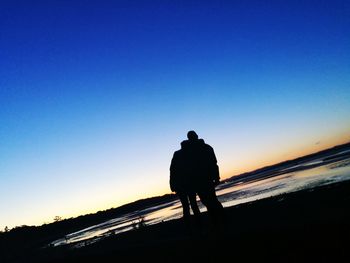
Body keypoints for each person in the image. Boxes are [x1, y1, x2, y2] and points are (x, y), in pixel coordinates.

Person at [170, 130, 224, 227]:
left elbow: (213, 164)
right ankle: (217, 220)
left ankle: (217, 220)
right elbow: (213, 164)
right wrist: (216, 177)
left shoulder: (199, 149)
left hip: (201, 181)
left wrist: (216, 177)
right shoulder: (196, 150)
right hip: (199, 181)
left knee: (209, 201)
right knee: (209, 201)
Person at [170, 141, 201, 223]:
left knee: (187, 206)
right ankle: (197, 223)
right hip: (186, 185)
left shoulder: (178, 154)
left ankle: (193, 224)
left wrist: (172, 184)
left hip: (184, 185)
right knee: (192, 205)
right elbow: (172, 170)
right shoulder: (187, 154)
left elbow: (172, 170)